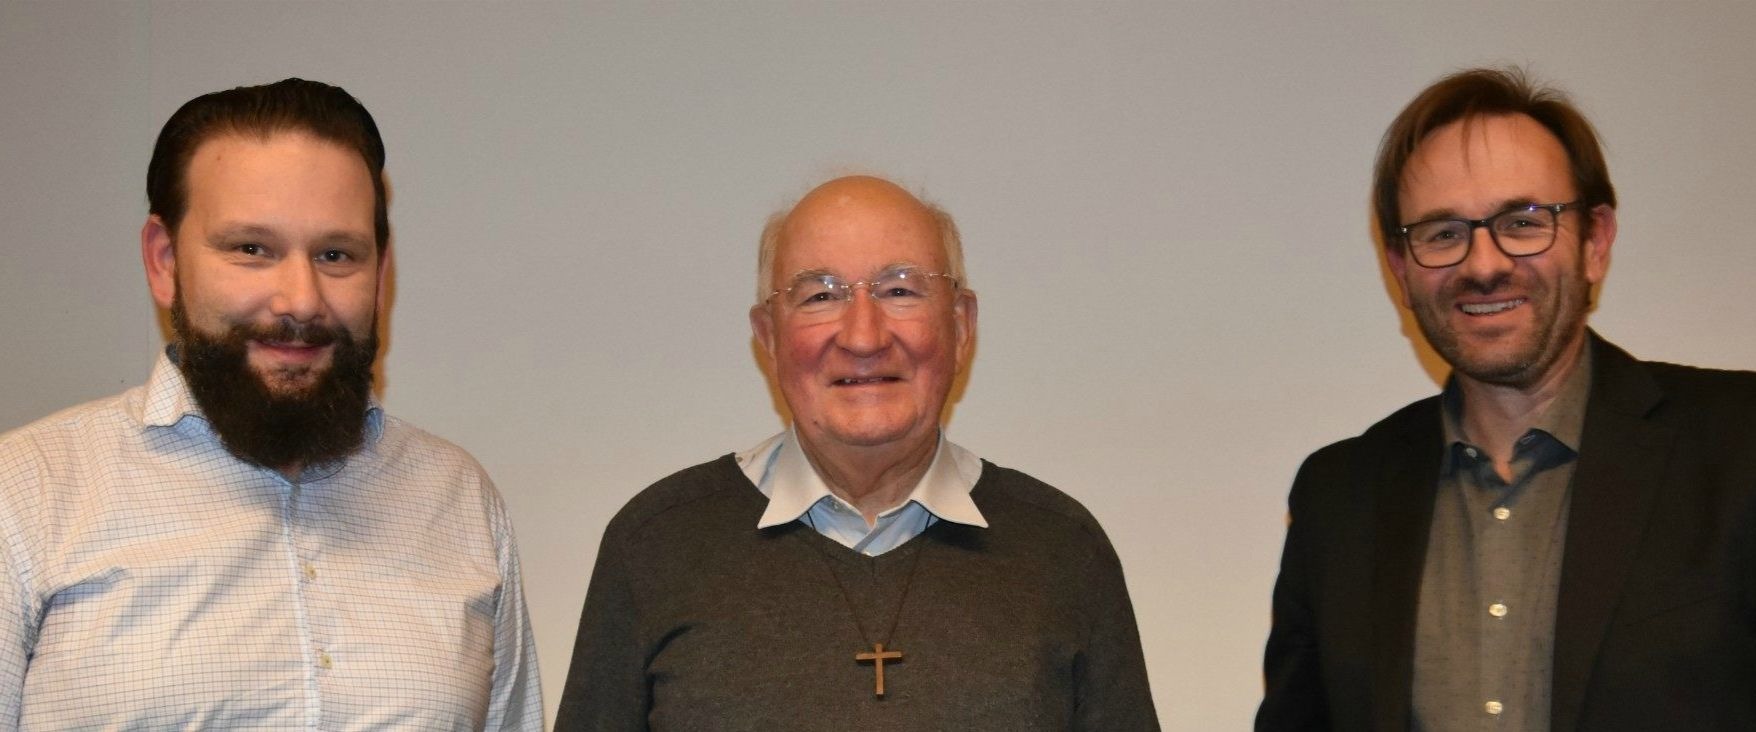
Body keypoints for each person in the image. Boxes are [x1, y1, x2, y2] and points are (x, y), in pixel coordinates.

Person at [0, 79, 542, 729]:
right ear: (165, 260)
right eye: (252, 250)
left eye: (336, 254)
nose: (301, 300)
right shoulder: (25, 498)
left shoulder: (458, 500)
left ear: (382, 271)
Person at [555, 175, 1158, 730]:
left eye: (900, 290)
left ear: (961, 324)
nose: (864, 336)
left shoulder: (1063, 551)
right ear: (768, 336)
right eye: (820, 296)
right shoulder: (656, 545)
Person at [1257, 67, 1756, 730]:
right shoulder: (1338, 497)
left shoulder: (1740, 446)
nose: (1483, 264)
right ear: (1400, 270)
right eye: (1441, 233)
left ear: (1595, 241)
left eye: (1523, 222)